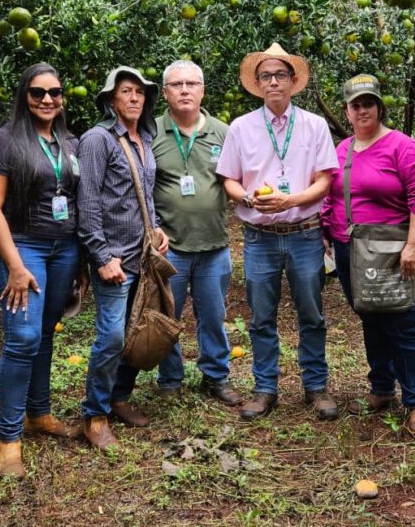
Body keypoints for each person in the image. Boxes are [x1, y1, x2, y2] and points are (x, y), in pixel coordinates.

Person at [216, 43, 339, 421]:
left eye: (280, 75)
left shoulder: (315, 125)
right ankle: (265, 387)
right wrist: (251, 201)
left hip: (304, 232)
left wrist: (294, 200)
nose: (273, 82)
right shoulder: (241, 127)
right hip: (259, 238)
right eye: (266, 76)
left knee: (312, 313)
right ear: (257, 83)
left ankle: (315, 387)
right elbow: (229, 181)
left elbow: (325, 180)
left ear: (292, 81)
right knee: (261, 317)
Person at [321, 74, 415, 436]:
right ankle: (382, 388)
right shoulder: (340, 150)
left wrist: (413, 244)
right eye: (355, 105)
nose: (362, 110)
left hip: (397, 249)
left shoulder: (403, 147)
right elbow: (331, 196)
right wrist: (328, 233)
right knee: (371, 317)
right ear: (347, 111)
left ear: (379, 107)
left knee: (404, 323)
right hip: (352, 250)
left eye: (368, 103)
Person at [0, 62, 83, 477]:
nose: (47, 100)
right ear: (25, 96)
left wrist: (82, 262)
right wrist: (16, 266)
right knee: (22, 337)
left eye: (55, 93)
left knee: (45, 331)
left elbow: (76, 199)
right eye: (38, 93)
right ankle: (9, 438)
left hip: (65, 249)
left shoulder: (69, 142)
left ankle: (38, 413)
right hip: (24, 247)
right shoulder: (5, 141)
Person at [77, 66, 170, 450]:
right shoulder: (98, 140)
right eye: (126, 91)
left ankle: (119, 398)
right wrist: (100, 255)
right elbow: (88, 202)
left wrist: (159, 227)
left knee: (136, 334)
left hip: (142, 255)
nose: (134, 98)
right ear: (111, 99)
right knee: (113, 336)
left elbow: (143, 196)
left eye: (140, 92)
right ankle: (95, 415)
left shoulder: (144, 140)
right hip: (114, 260)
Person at [151, 60, 242, 406]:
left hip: (214, 244)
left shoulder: (223, 131)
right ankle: (170, 379)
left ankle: (215, 377)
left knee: (213, 316)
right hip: (168, 248)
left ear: (203, 90)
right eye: (177, 85)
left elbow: (235, 178)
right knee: (167, 316)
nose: (185, 90)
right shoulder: (150, 131)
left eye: (192, 83)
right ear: (165, 93)